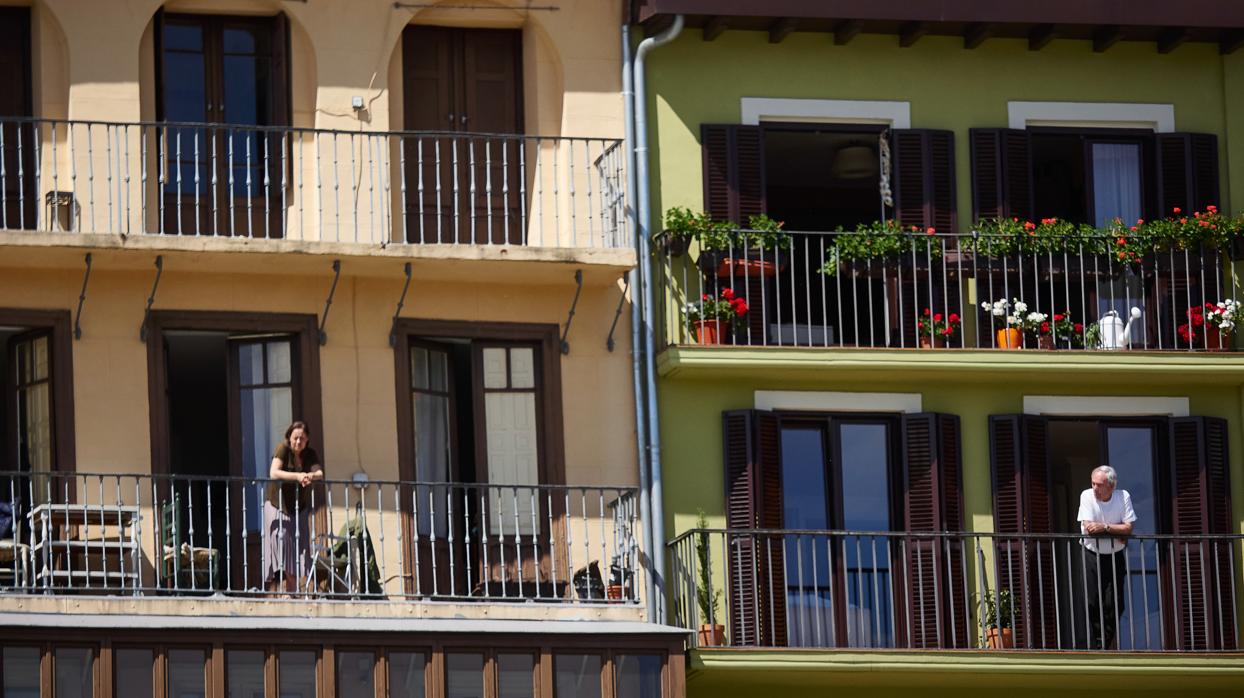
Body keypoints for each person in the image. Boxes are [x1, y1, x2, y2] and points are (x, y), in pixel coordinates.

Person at [1077, 464, 1136, 649]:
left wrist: (1105, 528)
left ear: (1111, 486)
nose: (1095, 488)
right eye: (1093, 483)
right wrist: (1117, 531)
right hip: (1091, 554)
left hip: (1114, 555)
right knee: (1092, 601)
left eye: (1099, 484)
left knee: (1115, 603)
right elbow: (1089, 528)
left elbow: (1128, 528)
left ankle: (1105, 642)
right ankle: (1096, 642)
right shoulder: (1086, 495)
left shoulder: (1123, 496)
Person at [263, 421, 323, 595]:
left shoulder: (309, 454)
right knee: (284, 544)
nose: (298, 442)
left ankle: (292, 590)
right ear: (289, 438)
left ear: (307, 440)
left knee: (299, 548)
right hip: (277, 505)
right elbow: (274, 472)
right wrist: (298, 476)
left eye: (302, 439)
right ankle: (289, 590)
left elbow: (319, 473)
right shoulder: (283, 449)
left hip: (299, 507)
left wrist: (310, 475)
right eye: (295, 438)